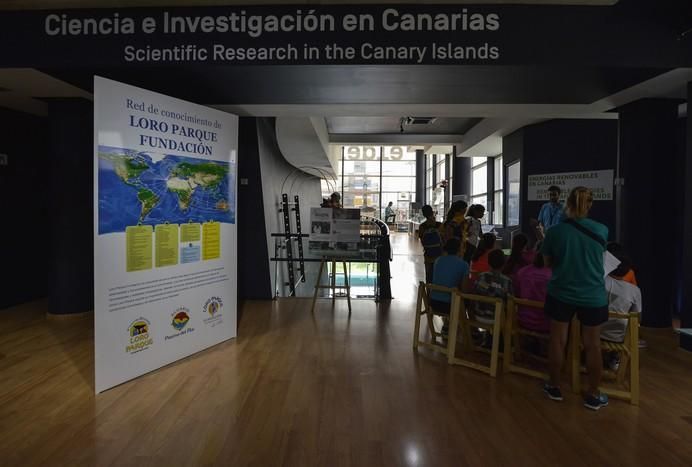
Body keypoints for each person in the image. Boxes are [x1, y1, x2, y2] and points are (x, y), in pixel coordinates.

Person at [541, 186, 609, 410]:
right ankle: (593, 394)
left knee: (558, 340)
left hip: (561, 291)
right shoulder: (602, 230)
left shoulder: (555, 232)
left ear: (566, 203)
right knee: (593, 345)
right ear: (590, 205)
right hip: (593, 294)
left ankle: (554, 386)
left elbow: (548, 263)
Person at [601, 251, 642, 370]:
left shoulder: (600, 282)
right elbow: (638, 318)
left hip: (593, 331)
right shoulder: (635, 291)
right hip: (618, 337)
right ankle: (614, 358)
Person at [514, 249, 552, 333]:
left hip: (523, 319)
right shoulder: (553, 276)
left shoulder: (522, 272)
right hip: (546, 323)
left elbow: (516, 294)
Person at [429, 238, 470, 315]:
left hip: (433, 302)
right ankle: (462, 326)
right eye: (462, 248)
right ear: (459, 249)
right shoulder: (464, 265)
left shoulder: (438, 260)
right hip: (450, 305)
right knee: (468, 301)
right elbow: (465, 290)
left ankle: (447, 324)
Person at [473, 249, 513, 324]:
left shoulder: (481, 276)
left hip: (478, 315)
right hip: (497, 318)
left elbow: (474, 292)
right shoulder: (507, 281)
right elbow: (510, 302)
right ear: (504, 264)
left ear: (488, 263)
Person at [418, 204, 444, 284]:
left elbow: (422, 240)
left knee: (429, 275)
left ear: (423, 214)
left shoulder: (422, 226)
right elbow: (444, 239)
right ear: (432, 212)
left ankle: (429, 292)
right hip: (440, 254)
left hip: (428, 254)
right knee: (439, 274)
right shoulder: (439, 225)